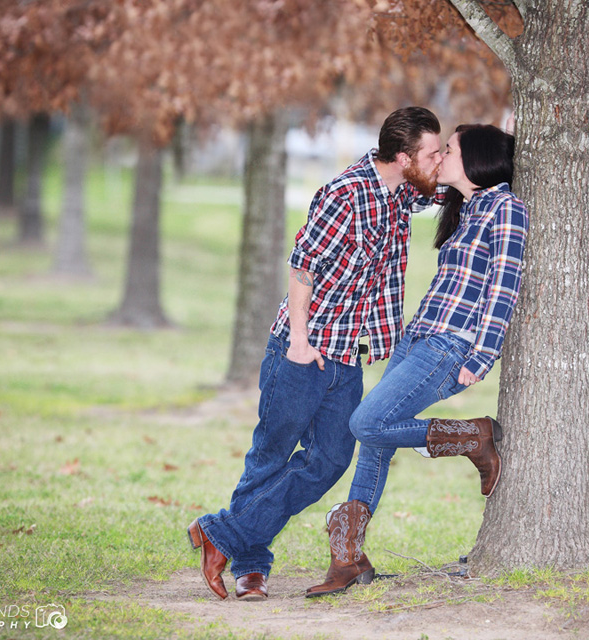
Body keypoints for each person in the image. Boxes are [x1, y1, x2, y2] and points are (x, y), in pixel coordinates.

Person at [187, 107, 446, 601]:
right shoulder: (343, 194)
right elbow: (302, 268)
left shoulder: (403, 192)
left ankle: (220, 533)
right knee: (270, 456)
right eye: (432, 153)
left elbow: (450, 184)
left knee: (330, 460)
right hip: (303, 350)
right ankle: (250, 566)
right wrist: (300, 342)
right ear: (402, 156)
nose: (438, 160)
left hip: (346, 357)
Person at [306, 123, 529, 598]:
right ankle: (348, 560)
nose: (440, 156)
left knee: (365, 424)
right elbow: (398, 182)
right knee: (375, 443)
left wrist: (483, 355)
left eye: (449, 150)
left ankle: (474, 437)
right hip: (417, 338)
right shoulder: (466, 205)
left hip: (448, 346)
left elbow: (503, 289)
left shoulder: (506, 209)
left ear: (476, 161)